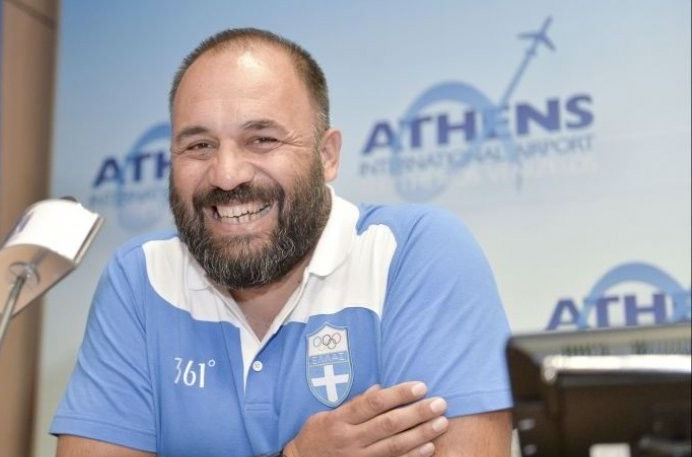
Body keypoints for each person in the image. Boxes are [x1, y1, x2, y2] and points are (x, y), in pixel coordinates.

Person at [52, 28, 513, 456]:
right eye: (199, 146)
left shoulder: (412, 253)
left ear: (327, 155)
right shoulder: (141, 278)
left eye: (262, 139)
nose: (227, 175)